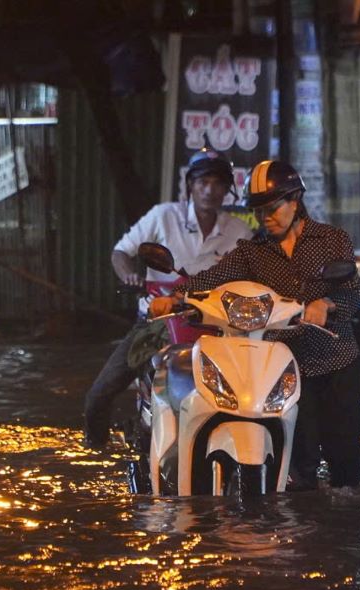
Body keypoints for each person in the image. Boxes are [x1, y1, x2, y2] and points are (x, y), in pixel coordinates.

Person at [150, 160, 360, 490]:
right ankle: (300, 531)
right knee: (299, 460)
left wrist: (326, 303)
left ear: (295, 200)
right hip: (288, 367)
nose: (266, 217)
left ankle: (346, 530)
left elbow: (352, 288)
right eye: (259, 210)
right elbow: (210, 280)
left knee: (345, 458)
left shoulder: (331, 239)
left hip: (337, 360)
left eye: (273, 208)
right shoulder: (251, 252)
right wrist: (178, 296)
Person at [82, 149, 251, 448]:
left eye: (217, 183)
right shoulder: (163, 216)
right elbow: (121, 251)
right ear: (190, 185)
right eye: (202, 182)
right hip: (157, 324)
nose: (209, 190)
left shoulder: (240, 231)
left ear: (228, 189)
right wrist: (130, 277)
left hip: (215, 328)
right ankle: (95, 448)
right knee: (99, 394)